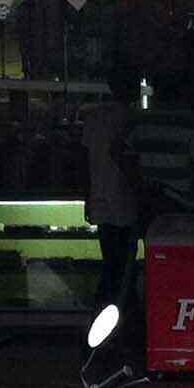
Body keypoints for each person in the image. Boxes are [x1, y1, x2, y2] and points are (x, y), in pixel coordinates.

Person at [126, 74, 194, 221]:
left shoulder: (139, 122)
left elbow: (121, 153)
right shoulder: (192, 123)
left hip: (148, 202)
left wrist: (139, 187)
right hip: (182, 202)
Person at [82, 94, 141, 314]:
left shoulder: (94, 118)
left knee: (111, 262)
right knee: (124, 266)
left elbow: (84, 159)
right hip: (126, 202)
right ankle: (124, 312)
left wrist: (86, 197)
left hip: (101, 198)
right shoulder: (133, 118)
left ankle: (107, 311)